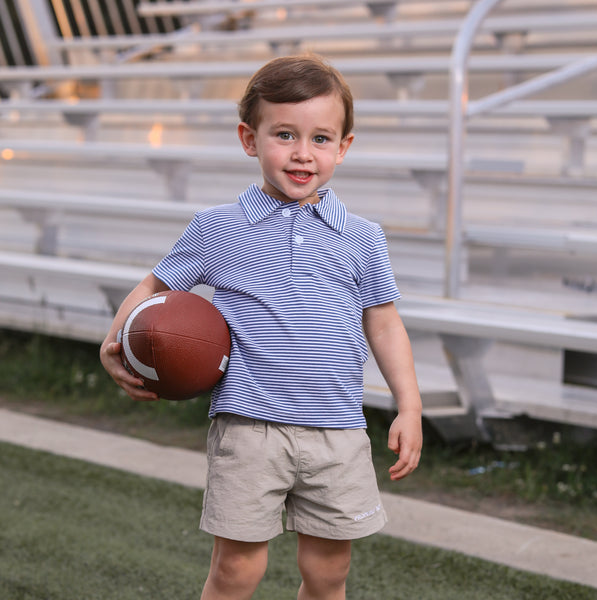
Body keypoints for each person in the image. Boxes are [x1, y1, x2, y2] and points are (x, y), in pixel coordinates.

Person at [100, 54, 422, 600]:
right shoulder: (218, 228)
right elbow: (155, 289)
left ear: (343, 147)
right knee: (236, 571)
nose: (303, 152)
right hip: (250, 430)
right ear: (250, 139)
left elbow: (385, 324)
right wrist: (116, 342)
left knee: (327, 574)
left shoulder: (364, 237)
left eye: (321, 138)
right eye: (285, 134)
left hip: (337, 432)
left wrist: (409, 406)